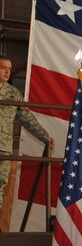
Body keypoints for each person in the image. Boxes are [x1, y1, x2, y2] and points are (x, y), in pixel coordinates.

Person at [0, 55, 53, 217]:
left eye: (9, 68)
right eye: (3, 68)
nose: (7, 72)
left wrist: (45, 137)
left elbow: (27, 118)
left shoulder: (12, 93)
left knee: (0, 186)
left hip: (3, 150)